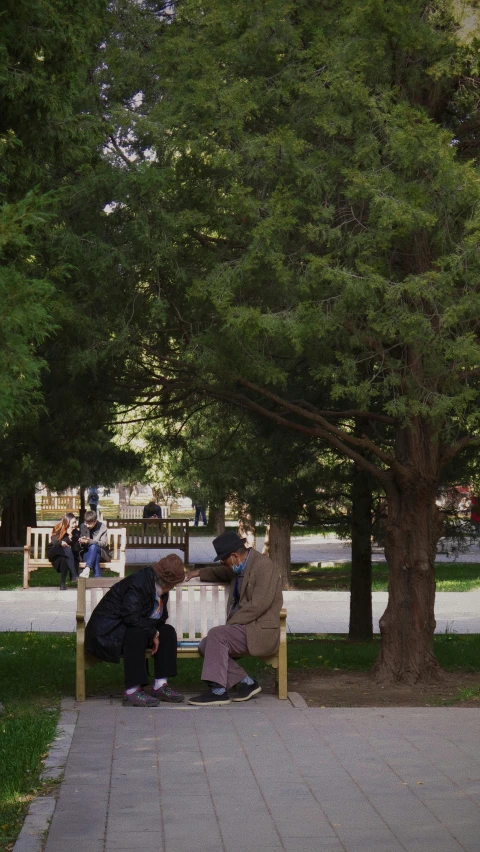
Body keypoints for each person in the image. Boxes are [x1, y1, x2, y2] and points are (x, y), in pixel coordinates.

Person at [185, 530, 283, 706]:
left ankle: (218, 691)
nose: (224, 565)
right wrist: (198, 572)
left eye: (224, 561)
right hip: (245, 628)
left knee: (217, 635)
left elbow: (258, 606)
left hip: (260, 630)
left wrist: (230, 624)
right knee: (205, 644)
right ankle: (246, 682)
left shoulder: (263, 566)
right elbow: (220, 573)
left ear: (234, 556)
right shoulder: (240, 567)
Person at [85, 554, 186, 707]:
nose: (175, 586)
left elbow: (160, 615)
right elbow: (129, 615)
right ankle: (132, 691)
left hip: (128, 625)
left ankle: (160, 685)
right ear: (167, 581)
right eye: (175, 584)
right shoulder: (139, 583)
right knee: (137, 633)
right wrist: (152, 632)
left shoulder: (160, 587)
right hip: (108, 632)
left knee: (167, 632)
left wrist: (155, 632)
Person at [46, 513, 80, 590]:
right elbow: (55, 543)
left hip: (65, 554)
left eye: (75, 522)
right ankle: (74, 574)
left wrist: (71, 537)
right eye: (73, 523)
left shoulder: (76, 532)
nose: (75, 525)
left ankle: (62, 584)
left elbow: (75, 548)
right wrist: (67, 539)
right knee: (66, 550)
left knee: (64, 557)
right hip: (54, 551)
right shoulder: (58, 528)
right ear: (67, 522)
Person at [78, 511, 110, 578]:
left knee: (94, 547)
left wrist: (90, 541)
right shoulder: (83, 526)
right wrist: (81, 541)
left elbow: (104, 544)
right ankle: (97, 579)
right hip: (87, 554)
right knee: (95, 556)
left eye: (89, 524)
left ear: (95, 521)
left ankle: (87, 569)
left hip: (101, 554)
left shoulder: (102, 527)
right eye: (86, 523)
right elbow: (80, 543)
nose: (87, 525)